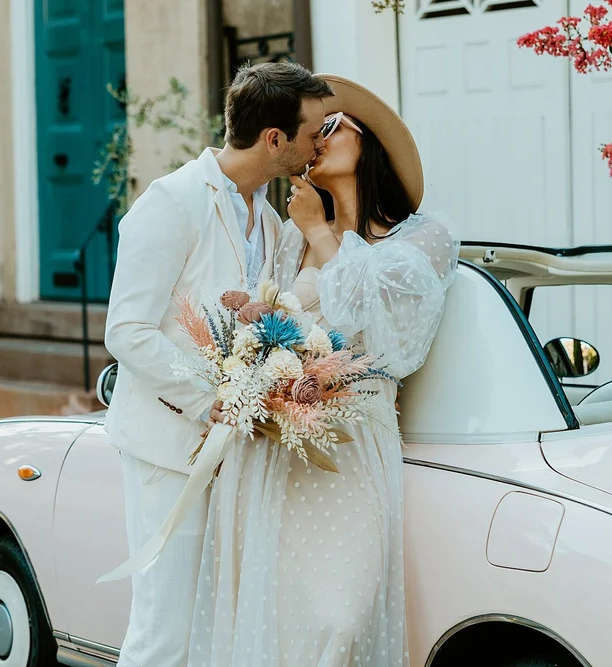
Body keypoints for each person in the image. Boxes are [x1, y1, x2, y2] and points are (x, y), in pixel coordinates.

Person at [191, 74, 459, 666]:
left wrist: (319, 227)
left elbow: (390, 335)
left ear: (370, 143)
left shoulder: (424, 237)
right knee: (274, 615)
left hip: (352, 444)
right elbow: (269, 322)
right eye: (312, 132)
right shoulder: (290, 240)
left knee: (342, 617)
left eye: (330, 127)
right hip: (276, 448)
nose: (316, 141)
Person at [101, 62, 332, 667]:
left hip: (238, 456)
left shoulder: (272, 220)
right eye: (312, 133)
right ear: (275, 139)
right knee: (165, 632)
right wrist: (211, 400)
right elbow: (126, 330)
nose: (319, 146)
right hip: (167, 448)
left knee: (213, 632)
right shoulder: (171, 202)